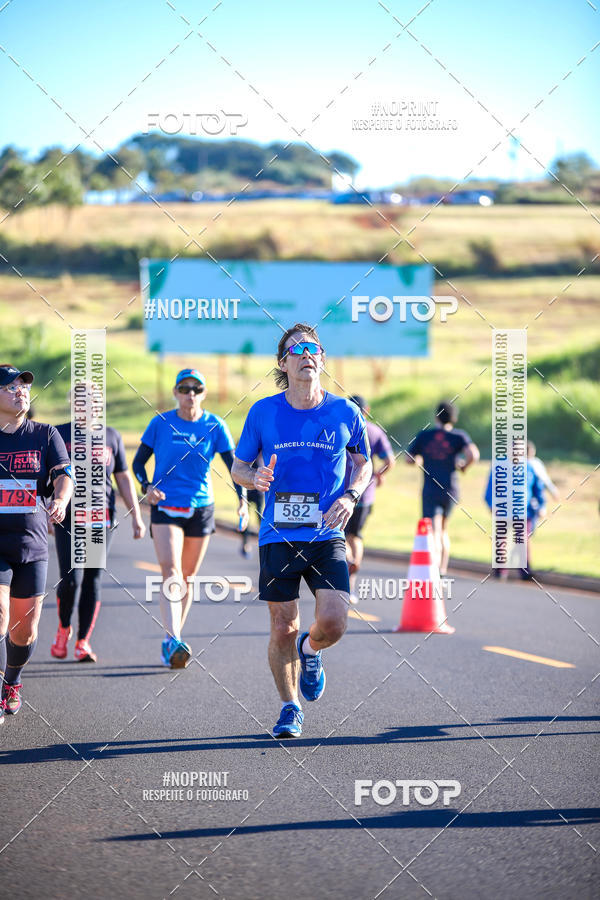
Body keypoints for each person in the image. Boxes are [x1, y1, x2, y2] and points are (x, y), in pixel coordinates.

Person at [232, 324, 372, 739]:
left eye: (315, 349)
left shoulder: (345, 411)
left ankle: (310, 652)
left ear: (323, 360)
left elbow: (363, 462)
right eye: (298, 350)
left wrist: (350, 495)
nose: (307, 354)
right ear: (284, 363)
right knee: (282, 626)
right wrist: (253, 478)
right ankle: (289, 707)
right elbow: (240, 467)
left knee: (334, 622)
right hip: (278, 533)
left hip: (326, 532)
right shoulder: (263, 412)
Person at [132, 368, 248, 669]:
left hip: (201, 507)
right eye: (184, 389)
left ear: (204, 394)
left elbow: (236, 468)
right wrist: (147, 487)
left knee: (188, 577)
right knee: (170, 572)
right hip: (166, 506)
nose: (190, 394)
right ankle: (174, 638)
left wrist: (243, 502)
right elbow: (138, 463)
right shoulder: (160, 424)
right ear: (175, 393)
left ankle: (173, 639)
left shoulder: (215, 425)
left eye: (196, 389)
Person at [50, 389, 146, 662]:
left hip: (101, 517)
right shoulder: (58, 434)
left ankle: (83, 642)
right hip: (69, 516)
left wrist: (136, 516)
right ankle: (63, 627)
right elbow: (48, 474)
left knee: (92, 578)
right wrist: (49, 506)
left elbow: (123, 478)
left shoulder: (112, 436)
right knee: (71, 579)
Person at [0, 364, 72, 723]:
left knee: (24, 630)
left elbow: (64, 476)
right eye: (10, 387)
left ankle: (11, 681)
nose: (20, 392)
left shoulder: (45, 434)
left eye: (23, 386)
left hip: (31, 544)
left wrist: (60, 500)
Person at [406, 400, 479, 576]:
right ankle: (443, 569)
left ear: (436, 416)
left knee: (435, 530)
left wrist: (420, 460)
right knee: (444, 529)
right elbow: (473, 454)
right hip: (451, 489)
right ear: (454, 418)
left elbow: (409, 458)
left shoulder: (424, 436)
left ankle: (435, 571)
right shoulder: (459, 436)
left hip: (431, 489)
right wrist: (463, 467)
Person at [344, 395, 395, 605]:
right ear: (367, 409)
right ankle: (353, 578)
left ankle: (348, 561)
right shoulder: (374, 431)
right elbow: (389, 461)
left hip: (342, 493)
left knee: (339, 535)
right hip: (365, 492)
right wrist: (378, 475)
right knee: (356, 536)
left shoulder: (341, 428)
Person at [484, 440, 546, 579]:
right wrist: (491, 504)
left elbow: (538, 489)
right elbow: (490, 488)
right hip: (503, 511)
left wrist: (542, 506)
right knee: (501, 541)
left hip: (523, 512)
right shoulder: (499, 466)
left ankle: (525, 571)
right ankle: (500, 571)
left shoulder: (529, 467)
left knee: (522, 540)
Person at [239, 460, 264, 558]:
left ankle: (263, 542)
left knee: (260, 517)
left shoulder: (262, 448)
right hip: (247, 490)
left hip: (258, 490)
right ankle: (245, 544)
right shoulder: (245, 450)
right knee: (245, 518)